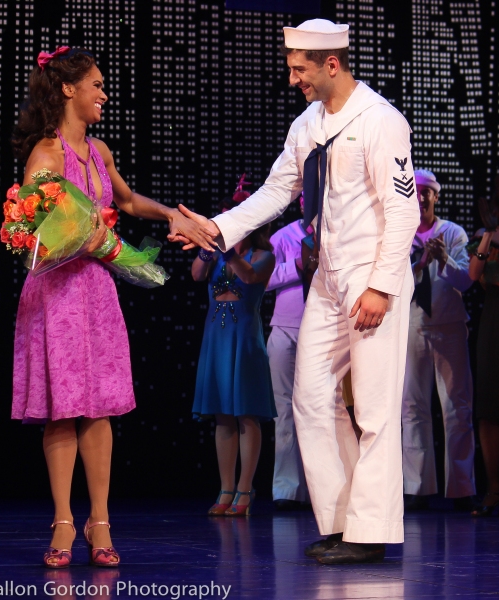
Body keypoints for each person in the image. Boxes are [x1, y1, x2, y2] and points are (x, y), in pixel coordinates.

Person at [174, 19, 420, 563]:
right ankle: (339, 521)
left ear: (331, 64)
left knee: (375, 408)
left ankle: (371, 531)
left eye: (298, 69)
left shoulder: (382, 121)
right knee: (308, 398)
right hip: (329, 280)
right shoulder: (308, 124)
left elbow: (403, 210)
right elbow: (275, 193)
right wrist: (215, 229)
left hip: (370, 275)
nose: (293, 80)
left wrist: (380, 286)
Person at [10, 46, 210, 568]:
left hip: (96, 293)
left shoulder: (99, 151)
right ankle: (62, 521)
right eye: (96, 84)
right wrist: (73, 236)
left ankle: (100, 520)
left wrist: (170, 213)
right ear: (69, 90)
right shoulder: (46, 156)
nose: (104, 93)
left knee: (98, 406)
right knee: (63, 408)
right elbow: (30, 237)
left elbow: (123, 201)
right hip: (56, 293)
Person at [191, 193, 276, 517]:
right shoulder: (216, 256)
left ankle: (245, 487)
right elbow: (196, 274)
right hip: (216, 338)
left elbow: (250, 277)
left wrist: (225, 253)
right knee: (222, 415)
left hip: (244, 339)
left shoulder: (263, 255)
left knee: (246, 413)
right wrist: (206, 249)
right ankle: (225, 488)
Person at [401, 169, 475, 511]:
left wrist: (444, 258)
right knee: (413, 407)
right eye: (415, 191)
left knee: (456, 407)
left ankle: (460, 487)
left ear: (436, 196)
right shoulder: (401, 236)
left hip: (448, 327)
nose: (420, 196)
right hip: (413, 325)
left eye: (426, 192)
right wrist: (421, 263)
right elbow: (396, 284)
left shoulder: (453, 233)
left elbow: (465, 282)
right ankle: (417, 487)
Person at [265, 194, 311, 511]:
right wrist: (297, 266)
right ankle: (286, 490)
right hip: (284, 328)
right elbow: (261, 278)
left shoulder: (339, 231)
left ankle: (321, 491)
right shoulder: (284, 236)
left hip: (324, 331)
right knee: (283, 410)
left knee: (319, 412)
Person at [467, 174, 499, 517]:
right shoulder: (484, 236)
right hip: (493, 317)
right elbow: (473, 273)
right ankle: (493, 488)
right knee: (489, 406)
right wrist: (489, 233)